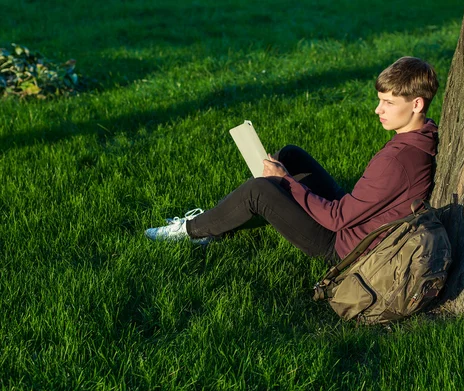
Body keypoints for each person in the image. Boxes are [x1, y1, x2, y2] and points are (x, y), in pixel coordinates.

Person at [145, 56, 439, 265]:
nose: (378, 110)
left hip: (344, 245)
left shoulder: (397, 160)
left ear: (416, 104)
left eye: (388, 103)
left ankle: (190, 231)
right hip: (354, 219)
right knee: (290, 155)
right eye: (379, 100)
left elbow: (337, 219)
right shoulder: (424, 135)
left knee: (258, 190)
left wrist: (285, 182)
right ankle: (217, 225)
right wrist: (288, 178)